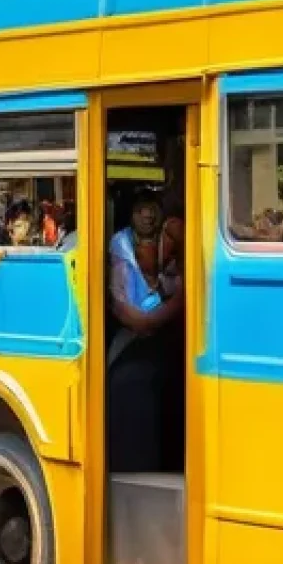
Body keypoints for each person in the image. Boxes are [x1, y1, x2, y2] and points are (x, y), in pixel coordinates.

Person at [106, 191, 185, 473]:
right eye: (141, 210)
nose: (148, 216)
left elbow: (182, 290)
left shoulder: (173, 241)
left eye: (152, 209)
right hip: (133, 332)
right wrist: (140, 320)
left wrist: (161, 313)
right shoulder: (120, 247)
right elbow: (120, 301)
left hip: (165, 331)